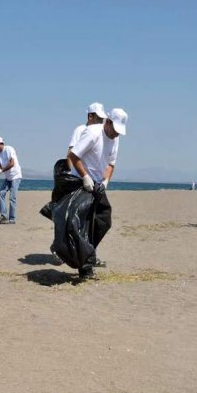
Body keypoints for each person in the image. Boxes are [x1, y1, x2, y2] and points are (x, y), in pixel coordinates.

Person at [68, 107, 127, 279]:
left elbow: (111, 164)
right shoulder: (93, 133)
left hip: (98, 184)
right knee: (83, 224)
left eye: (119, 132)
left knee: (103, 219)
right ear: (107, 122)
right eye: (114, 130)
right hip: (81, 182)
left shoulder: (115, 138)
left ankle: (88, 255)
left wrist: (106, 181)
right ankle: (85, 268)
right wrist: (85, 177)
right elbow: (74, 155)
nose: (116, 135)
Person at [66, 102, 108, 169]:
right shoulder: (80, 130)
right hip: (79, 176)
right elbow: (70, 154)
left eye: (102, 119)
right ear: (90, 116)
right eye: (99, 118)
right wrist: (72, 174)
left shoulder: (103, 133)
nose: (101, 121)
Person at [0, 137, 22, 224]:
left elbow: (12, 163)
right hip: (8, 178)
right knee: (1, 193)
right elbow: (0, 167)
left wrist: (2, 170)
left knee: (12, 197)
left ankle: (12, 219)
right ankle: (4, 216)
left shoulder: (9, 149)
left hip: (15, 176)